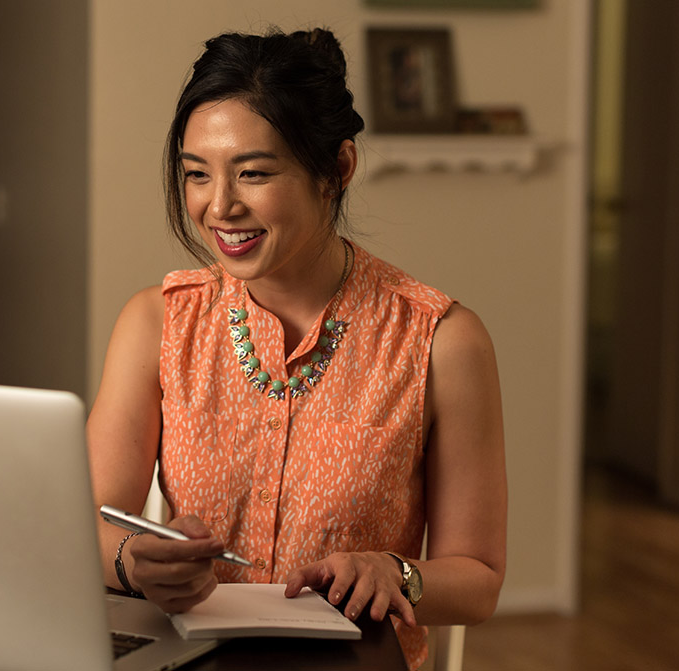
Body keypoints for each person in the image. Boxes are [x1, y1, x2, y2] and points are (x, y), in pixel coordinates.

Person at [86, 27, 506, 670]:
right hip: (188, 659)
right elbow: (84, 524)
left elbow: (477, 579)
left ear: (337, 169)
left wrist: (395, 573)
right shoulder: (156, 323)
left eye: (253, 173)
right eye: (197, 174)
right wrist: (133, 562)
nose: (219, 206)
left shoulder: (441, 341)